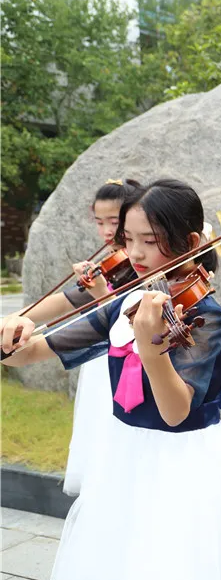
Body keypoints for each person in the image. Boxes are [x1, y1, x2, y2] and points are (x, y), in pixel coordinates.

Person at [1, 179, 221, 580]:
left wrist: (151, 346)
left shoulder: (205, 314)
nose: (134, 254)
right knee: (128, 573)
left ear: (191, 244)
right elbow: (39, 349)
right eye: (128, 239)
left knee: (175, 576)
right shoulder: (126, 303)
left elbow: (177, 410)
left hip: (182, 462)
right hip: (127, 456)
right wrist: (14, 336)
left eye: (150, 241)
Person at [0, 178, 141, 496]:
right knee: (101, 445)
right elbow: (65, 301)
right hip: (99, 368)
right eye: (99, 222)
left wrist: (102, 292)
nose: (106, 231)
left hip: (130, 368)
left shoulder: (144, 266)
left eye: (114, 222)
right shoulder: (111, 263)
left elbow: (120, 322)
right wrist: (20, 317)